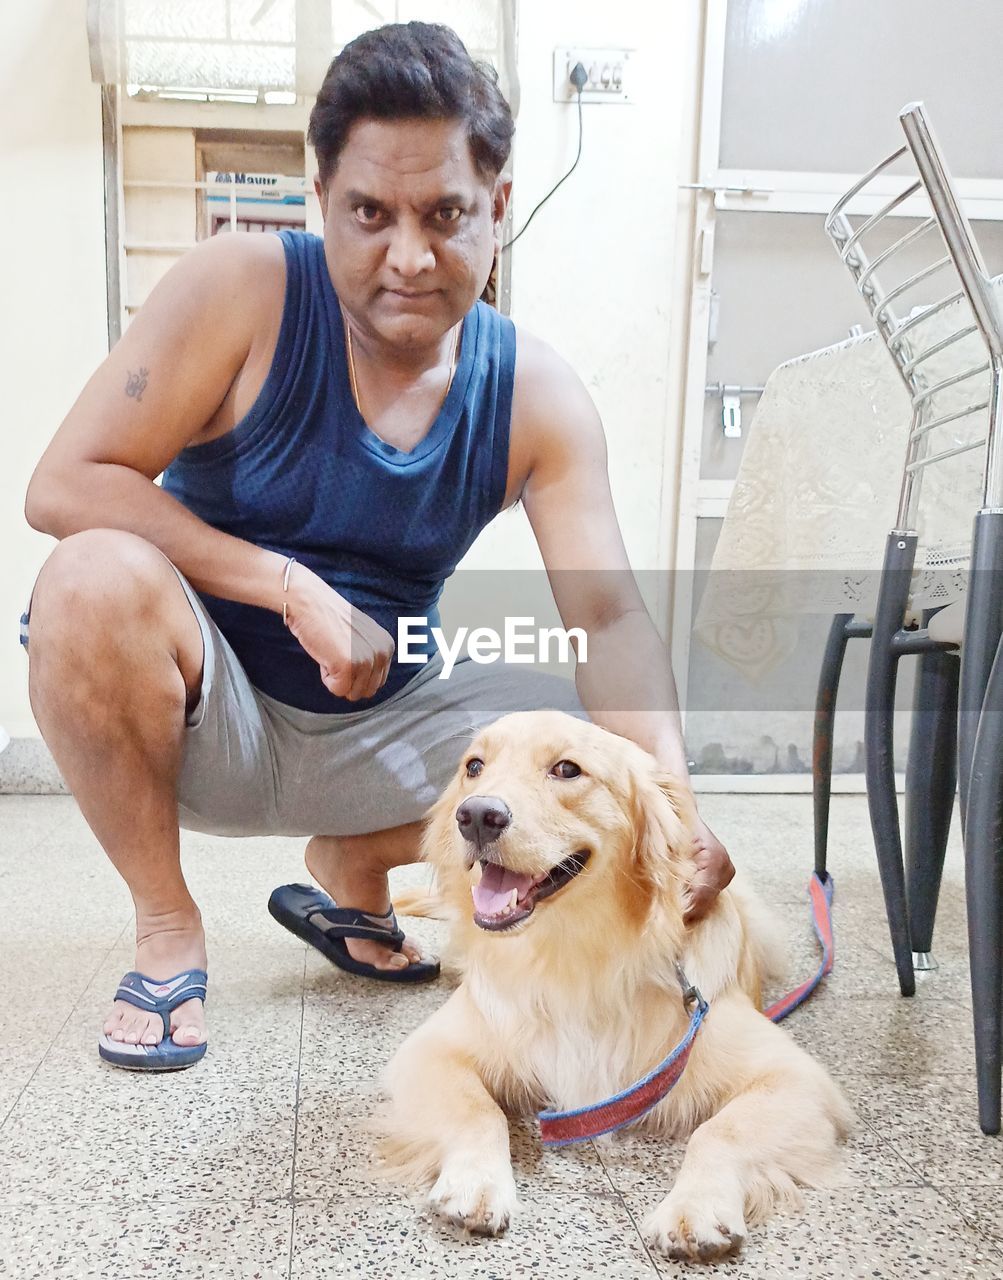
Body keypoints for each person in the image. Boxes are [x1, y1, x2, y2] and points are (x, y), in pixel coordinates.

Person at [21, 21, 733, 1071]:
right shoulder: (241, 288)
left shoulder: (535, 393)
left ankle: (354, 861)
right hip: (204, 721)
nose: (408, 255)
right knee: (84, 577)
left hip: (378, 729)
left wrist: (672, 814)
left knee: (591, 729)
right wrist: (283, 583)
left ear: (495, 208)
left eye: (444, 213)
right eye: (369, 213)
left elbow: (608, 615)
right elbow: (63, 483)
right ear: (321, 198)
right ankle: (168, 924)